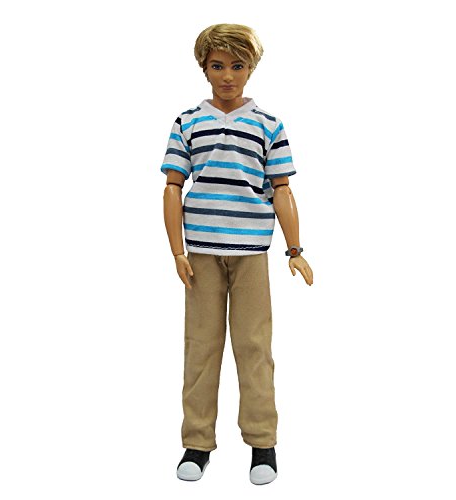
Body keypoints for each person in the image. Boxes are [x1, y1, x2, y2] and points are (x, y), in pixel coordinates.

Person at [161, 23, 313, 485]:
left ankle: (262, 443)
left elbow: (282, 188)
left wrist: (294, 248)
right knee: (201, 348)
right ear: (204, 68)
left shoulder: (268, 125)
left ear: (251, 68)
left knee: (254, 347)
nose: (227, 75)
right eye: (217, 65)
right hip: (200, 254)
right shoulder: (188, 122)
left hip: (251, 252)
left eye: (238, 65)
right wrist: (177, 250)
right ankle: (196, 442)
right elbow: (172, 187)